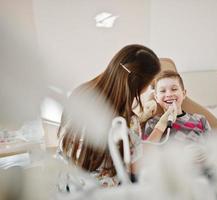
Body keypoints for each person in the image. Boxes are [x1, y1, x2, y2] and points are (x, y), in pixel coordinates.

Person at [57, 44, 161, 187]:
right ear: (139, 85)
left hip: (67, 185)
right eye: (151, 83)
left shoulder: (79, 93)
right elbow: (135, 170)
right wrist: (161, 126)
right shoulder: (126, 122)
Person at [143, 70, 211, 144]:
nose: (169, 94)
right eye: (163, 91)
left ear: (184, 94)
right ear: (156, 98)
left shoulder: (200, 120)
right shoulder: (152, 123)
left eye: (174, 89)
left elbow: (212, 148)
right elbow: (147, 150)